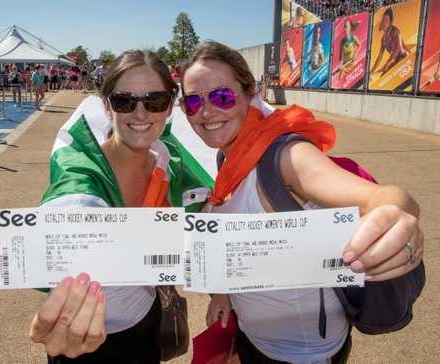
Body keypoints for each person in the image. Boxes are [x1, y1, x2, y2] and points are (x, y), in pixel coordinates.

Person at [179, 40, 424, 363]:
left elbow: (383, 198)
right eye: (193, 103)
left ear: (251, 92)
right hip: (254, 340)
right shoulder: (227, 160)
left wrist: (399, 215)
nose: (207, 112)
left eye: (222, 97)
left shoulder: (286, 157)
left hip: (304, 354)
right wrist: (225, 292)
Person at [29, 49, 212, 363]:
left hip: (148, 320)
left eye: (154, 101)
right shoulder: (81, 176)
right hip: (86, 337)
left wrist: (222, 290)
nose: (140, 114)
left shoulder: (172, 163)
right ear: (105, 105)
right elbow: (65, 207)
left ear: (169, 108)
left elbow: (211, 218)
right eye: (124, 101)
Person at [370, 7, 411, 76]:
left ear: (390, 22)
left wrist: (387, 64)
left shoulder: (394, 30)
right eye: (383, 20)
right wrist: (371, 71)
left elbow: (397, 48)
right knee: (383, 75)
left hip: (405, 56)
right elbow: (379, 57)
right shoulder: (383, 39)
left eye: (386, 20)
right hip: (397, 59)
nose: (384, 22)